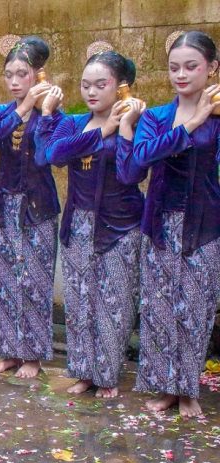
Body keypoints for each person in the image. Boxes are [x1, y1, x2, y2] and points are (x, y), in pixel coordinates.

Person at [44, 42, 147, 400]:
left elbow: (132, 172)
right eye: (86, 84)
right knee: (79, 303)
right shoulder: (73, 123)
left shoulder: (138, 123)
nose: (90, 91)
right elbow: (54, 154)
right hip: (78, 225)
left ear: (120, 85)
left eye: (100, 84)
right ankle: (84, 372)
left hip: (120, 226)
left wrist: (126, 127)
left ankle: (107, 375)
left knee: (114, 303)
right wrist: (103, 131)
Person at [131, 30, 220, 418]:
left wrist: (207, 117)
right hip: (160, 222)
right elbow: (140, 159)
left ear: (212, 68)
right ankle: (165, 388)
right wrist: (193, 121)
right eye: (173, 68)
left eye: (191, 67)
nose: (181, 75)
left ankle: (188, 391)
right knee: (159, 307)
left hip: (204, 224)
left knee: (196, 308)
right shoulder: (156, 117)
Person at [0, 35, 63, 379]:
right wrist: (22, 107)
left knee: (35, 283)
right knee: (8, 281)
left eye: (22, 74)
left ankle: (34, 355)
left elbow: (48, 155)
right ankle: (11, 351)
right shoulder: (0, 112)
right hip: (4, 207)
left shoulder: (52, 114)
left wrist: (41, 111)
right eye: (9, 74)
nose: (14, 81)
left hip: (38, 208)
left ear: (38, 76)